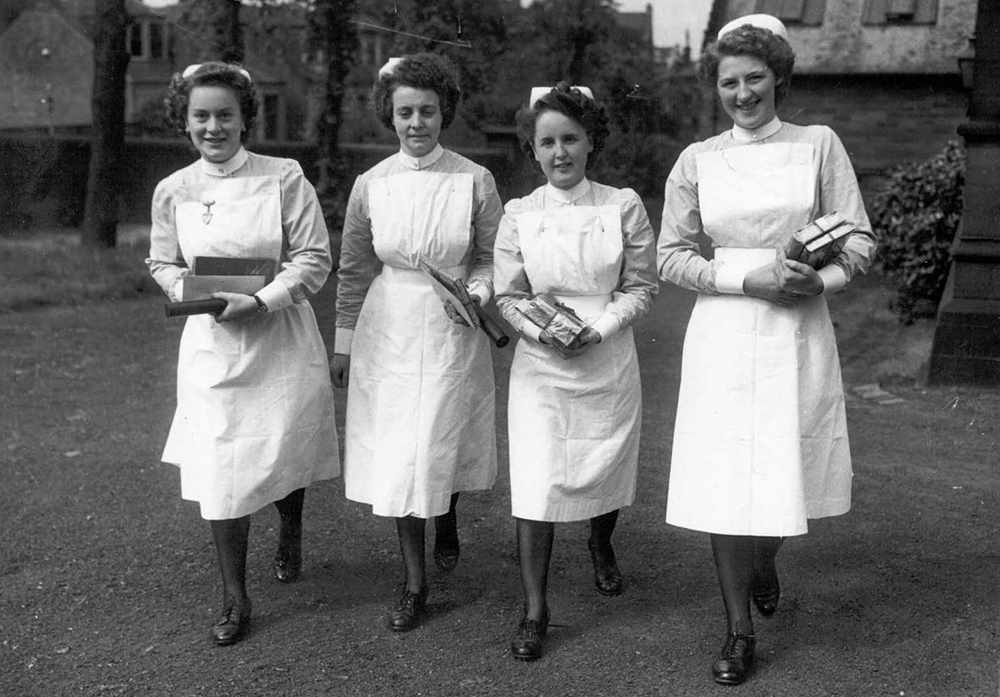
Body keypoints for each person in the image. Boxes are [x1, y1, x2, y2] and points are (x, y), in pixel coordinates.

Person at [657, 14, 877, 685]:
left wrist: (824, 278)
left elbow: (860, 239)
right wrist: (741, 276)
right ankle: (737, 628)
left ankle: (765, 558)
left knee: (788, 463)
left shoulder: (817, 144)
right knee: (726, 481)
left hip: (795, 327)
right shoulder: (698, 159)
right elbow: (671, 256)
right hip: (724, 329)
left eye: (755, 78)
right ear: (717, 85)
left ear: (779, 77)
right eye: (730, 80)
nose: (743, 92)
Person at [147, 62, 339, 646]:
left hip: (278, 335)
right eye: (201, 116)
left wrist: (260, 300)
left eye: (224, 115)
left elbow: (313, 257)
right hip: (213, 342)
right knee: (220, 466)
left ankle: (290, 523)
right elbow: (162, 263)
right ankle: (235, 596)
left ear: (245, 119)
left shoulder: (284, 177)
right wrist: (197, 298)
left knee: (282, 446)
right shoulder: (173, 190)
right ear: (185, 121)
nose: (213, 127)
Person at [331, 52, 503, 633]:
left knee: (439, 435)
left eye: (427, 111)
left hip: (453, 323)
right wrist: (344, 343)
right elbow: (354, 268)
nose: (416, 124)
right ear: (390, 115)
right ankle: (413, 580)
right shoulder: (370, 185)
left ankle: (447, 514)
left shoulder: (475, 180)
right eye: (405, 112)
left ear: (443, 112)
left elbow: (493, 258)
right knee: (404, 450)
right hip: (391, 326)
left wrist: (475, 296)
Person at [493, 83, 658, 661]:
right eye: (547, 142)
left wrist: (601, 328)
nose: (559, 152)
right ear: (532, 151)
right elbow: (508, 296)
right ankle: (535, 607)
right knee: (537, 481)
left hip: (606, 355)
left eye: (570, 139)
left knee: (602, 466)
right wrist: (542, 333)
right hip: (541, 366)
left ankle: (600, 543)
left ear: (591, 142)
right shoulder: (519, 215)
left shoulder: (623, 205)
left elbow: (641, 286)